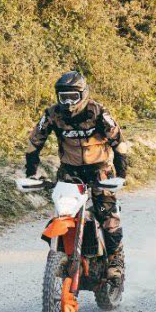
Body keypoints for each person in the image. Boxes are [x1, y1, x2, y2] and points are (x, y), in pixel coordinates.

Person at [24, 71, 129, 287]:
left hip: (100, 170)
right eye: (64, 97)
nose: (68, 103)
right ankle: (63, 255)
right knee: (63, 211)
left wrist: (121, 175)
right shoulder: (52, 114)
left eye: (73, 97)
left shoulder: (98, 112)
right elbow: (34, 143)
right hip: (70, 171)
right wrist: (31, 173)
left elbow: (119, 143)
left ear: (84, 94)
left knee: (107, 213)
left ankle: (115, 259)